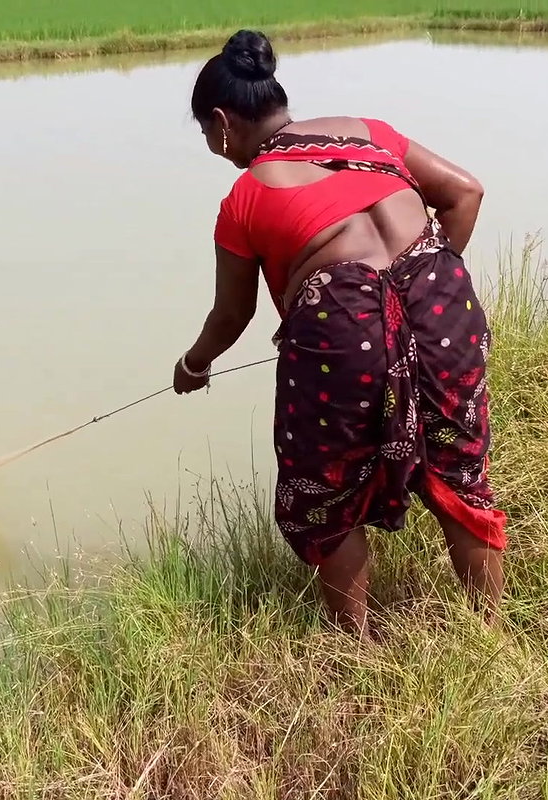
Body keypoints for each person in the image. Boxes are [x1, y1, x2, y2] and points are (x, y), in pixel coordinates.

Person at [172, 29, 508, 635]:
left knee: (325, 491)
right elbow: (466, 191)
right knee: (458, 473)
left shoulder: (245, 198)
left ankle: (357, 650)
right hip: (442, 305)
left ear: (222, 122)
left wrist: (194, 365)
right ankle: (491, 632)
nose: (212, 148)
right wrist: (422, 291)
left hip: (341, 329)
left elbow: (232, 315)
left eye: (205, 135)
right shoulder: (369, 132)